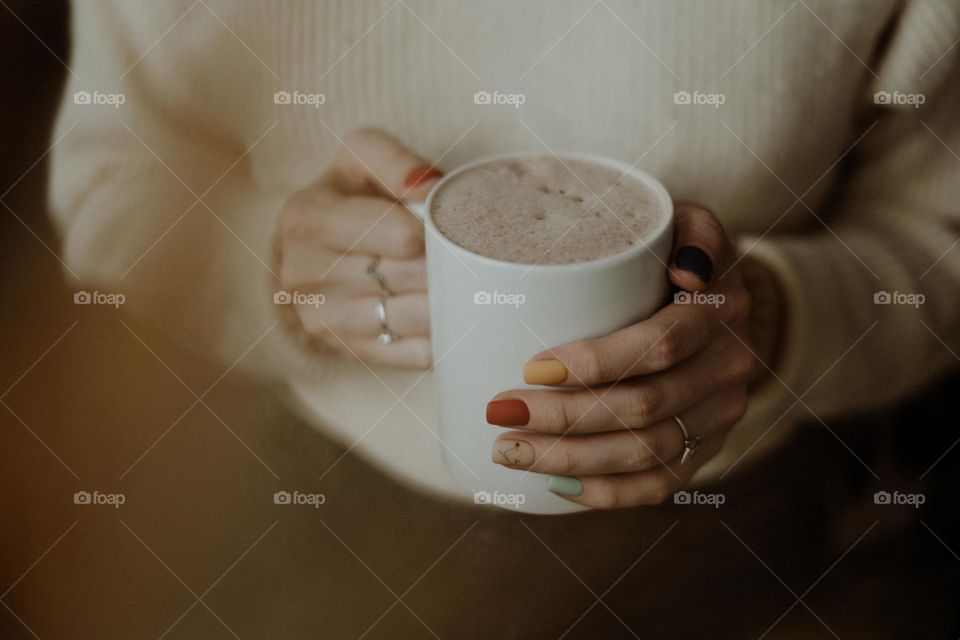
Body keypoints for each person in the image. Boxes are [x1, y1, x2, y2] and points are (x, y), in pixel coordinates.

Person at [50, 1, 959, 510]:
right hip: (272, 491)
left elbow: (938, 255)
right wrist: (261, 266)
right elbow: (107, 186)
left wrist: (781, 318)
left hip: (750, 523)